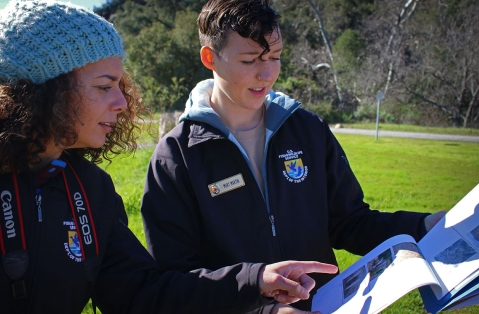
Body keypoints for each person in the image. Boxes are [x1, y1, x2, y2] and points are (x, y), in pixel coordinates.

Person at [0, 1, 339, 313]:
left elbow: (143, 295)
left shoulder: (90, 189)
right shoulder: (174, 155)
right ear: (42, 92)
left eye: (120, 85)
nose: (122, 103)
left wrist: (256, 282)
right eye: (105, 86)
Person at [140, 0, 446, 313]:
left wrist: (424, 226)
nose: (267, 73)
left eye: (275, 57)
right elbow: (175, 281)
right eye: (249, 61)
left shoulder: (307, 129)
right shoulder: (176, 156)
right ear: (210, 58)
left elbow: (349, 222)